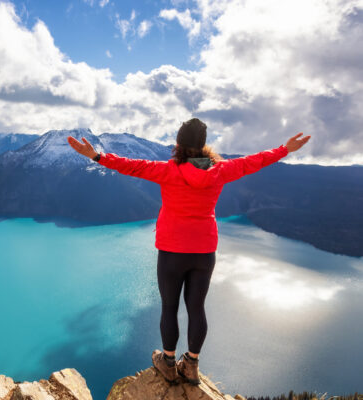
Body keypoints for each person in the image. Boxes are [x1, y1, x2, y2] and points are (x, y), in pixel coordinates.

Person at [67, 118, 310, 386]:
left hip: (172, 250)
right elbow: (254, 161)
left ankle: (168, 363)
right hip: (204, 250)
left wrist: (97, 156)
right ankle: (191, 365)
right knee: (197, 308)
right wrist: (284, 149)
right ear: (204, 145)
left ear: (179, 144)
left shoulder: (167, 171)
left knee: (169, 307)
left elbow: (130, 166)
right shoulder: (222, 170)